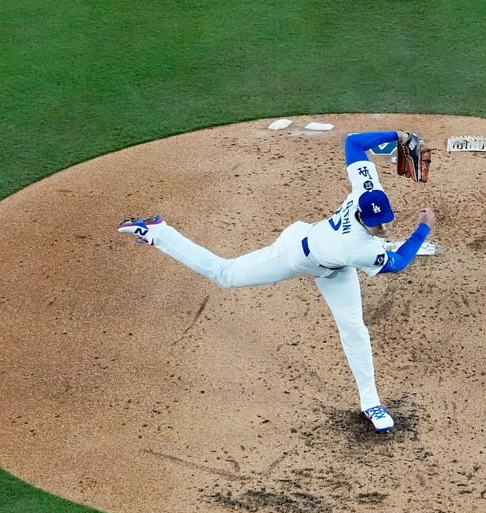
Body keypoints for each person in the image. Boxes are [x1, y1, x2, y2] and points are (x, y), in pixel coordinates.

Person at [118, 130, 434, 433]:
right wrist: (423, 228)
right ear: (364, 218)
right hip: (294, 253)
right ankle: (158, 232)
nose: (383, 229)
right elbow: (398, 263)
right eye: (377, 226)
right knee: (225, 275)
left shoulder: (367, 190)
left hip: (334, 266)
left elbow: (354, 143)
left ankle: (371, 404)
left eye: (384, 223)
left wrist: (398, 135)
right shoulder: (359, 248)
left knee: (354, 329)